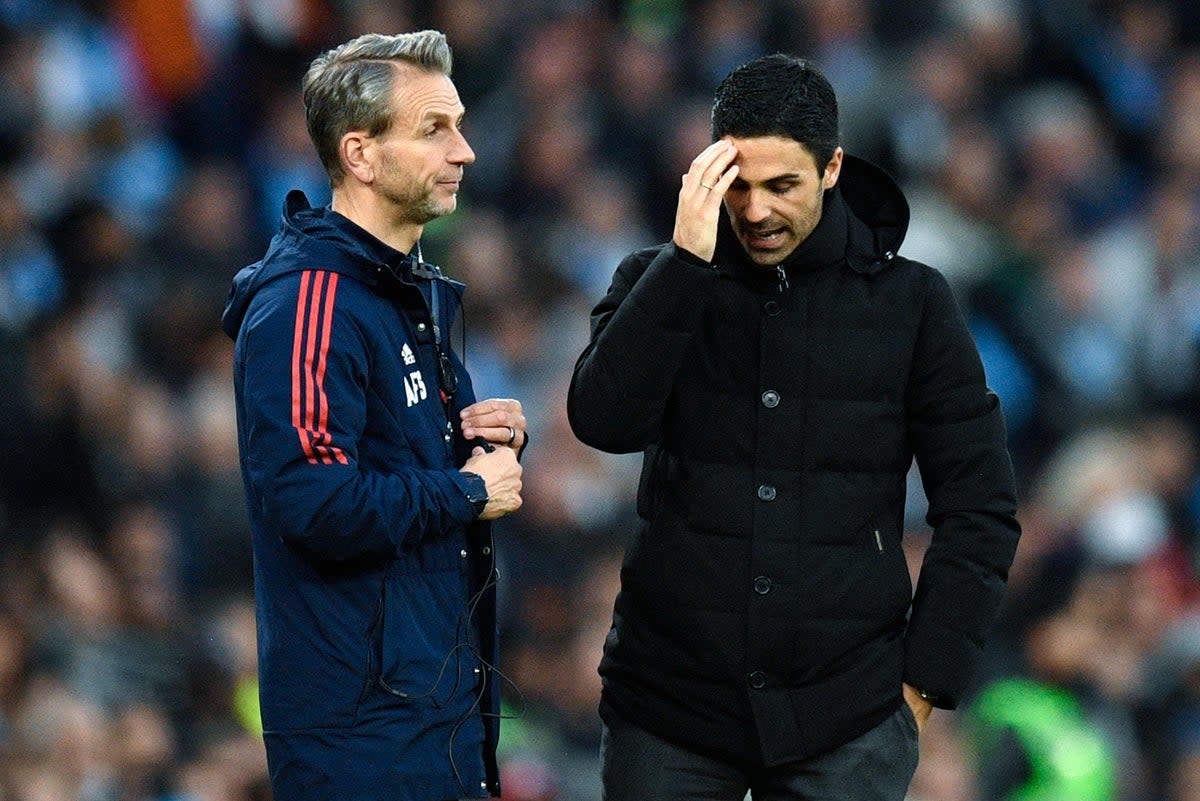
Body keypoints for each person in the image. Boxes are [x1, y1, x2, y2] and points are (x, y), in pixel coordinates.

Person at [567, 53, 1022, 800]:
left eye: (783, 185)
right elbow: (602, 421)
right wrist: (684, 262)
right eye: (737, 187)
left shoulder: (912, 303)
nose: (756, 211)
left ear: (833, 167)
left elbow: (981, 505)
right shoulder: (656, 280)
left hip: (849, 716)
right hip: (669, 708)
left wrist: (923, 690)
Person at [221, 30, 525, 801]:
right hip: (362, 738)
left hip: (433, 715)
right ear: (359, 154)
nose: (465, 151)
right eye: (434, 130)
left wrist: (466, 441)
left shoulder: (401, 287)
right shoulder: (308, 303)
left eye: (456, 124)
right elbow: (313, 501)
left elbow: (384, 463)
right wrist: (464, 491)